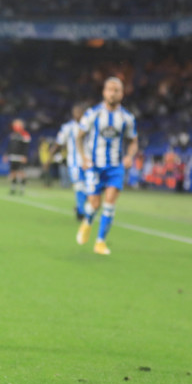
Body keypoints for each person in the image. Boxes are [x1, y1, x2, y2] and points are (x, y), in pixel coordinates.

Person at [75, 77, 138, 255]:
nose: (112, 93)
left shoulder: (126, 117)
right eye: (109, 89)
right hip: (95, 165)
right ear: (104, 92)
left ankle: (100, 242)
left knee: (109, 203)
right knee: (94, 203)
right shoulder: (93, 113)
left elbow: (133, 141)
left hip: (116, 167)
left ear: (122, 93)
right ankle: (87, 222)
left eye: (116, 90)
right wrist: (83, 158)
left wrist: (129, 156)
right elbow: (79, 136)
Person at [48, 104, 87, 220]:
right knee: (79, 186)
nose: (77, 114)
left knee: (89, 187)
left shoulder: (90, 126)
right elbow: (59, 143)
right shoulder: (68, 127)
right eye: (76, 112)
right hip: (74, 162)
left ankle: (81, 207)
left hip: (88, 161)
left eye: (80, 112)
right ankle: (80, 211)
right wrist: (50, 156)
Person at [5, 118, 31, 195]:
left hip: (20, 157)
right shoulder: (13, 135)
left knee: (21, 173)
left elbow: (26, 147)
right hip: (13, 156)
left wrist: (25, 156)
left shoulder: (25, 135)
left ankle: (22, 189)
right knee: (13, 172)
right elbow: (10, 146)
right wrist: (7, 154)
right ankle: (13, 188)